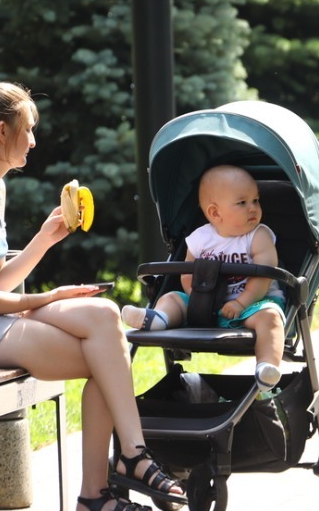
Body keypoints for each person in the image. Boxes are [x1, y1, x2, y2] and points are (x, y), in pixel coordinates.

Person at [0, 77, 185, 511]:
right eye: (28, 129)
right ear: (0, 132)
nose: (33, 141)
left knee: (102, 315)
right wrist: (50, 296)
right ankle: (112, 479)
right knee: (105, 356)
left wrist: (42, 240)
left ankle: (123, 466)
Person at [121, 165, 286, 387]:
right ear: (215, 213)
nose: (253, 208)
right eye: (242, 202)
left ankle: (267, 368)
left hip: (252, 305)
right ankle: (157, 318)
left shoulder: (259, 235)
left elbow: (264, 276)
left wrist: (240, 302)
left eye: (256, 201)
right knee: (172, 298)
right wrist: (197, 299)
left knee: (271, 318)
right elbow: (188, 275)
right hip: (206, 305)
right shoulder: (199, 238)